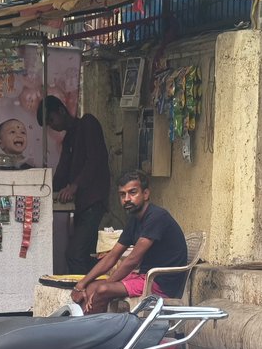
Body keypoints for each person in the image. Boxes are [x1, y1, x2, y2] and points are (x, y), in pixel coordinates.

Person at [71, 170, 188, 314]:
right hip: (144, 277)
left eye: (132, 193)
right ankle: (91, 326)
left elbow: (132, 260)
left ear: (146, 194)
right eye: (122, 194)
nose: (126, 199)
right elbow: (112, 256)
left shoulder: (157, 217)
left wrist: (106, 285)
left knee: (101, 290)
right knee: (91, 288)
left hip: (160, 283)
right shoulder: (135, 220)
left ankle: (94, 327)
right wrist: (81, 284)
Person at [37, 95, 110, 274]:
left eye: (51, 120)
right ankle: (90, 287)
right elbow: (62, 171)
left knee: (74, 254)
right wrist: (46, 191)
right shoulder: (69, 137)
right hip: (81, 205)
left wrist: (74, 186)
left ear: (61, 111)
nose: (52, 126)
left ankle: (84, 289)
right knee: (86, 254)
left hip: (94, 201)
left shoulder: (88, 123)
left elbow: (95, 160)